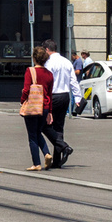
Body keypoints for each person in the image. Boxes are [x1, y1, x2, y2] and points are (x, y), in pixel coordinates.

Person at [41, 40, 77, 168]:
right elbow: (73, 81)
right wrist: (77, 98)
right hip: (65, 96)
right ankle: (57, 161)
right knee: (58, 127)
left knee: (43, 125)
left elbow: (45, 82)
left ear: (46, 50)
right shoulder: (66, 61)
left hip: (53, 96)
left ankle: (63, 147)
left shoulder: (48, 63)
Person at [19, 47, 56, 170]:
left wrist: (22, 100)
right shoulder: (49, 74)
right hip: (44, 108)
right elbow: (50, 94)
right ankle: (46, 153)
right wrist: (50, 112)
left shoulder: (30, 71)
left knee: (32, 136)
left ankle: (36, 163)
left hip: (33, 106)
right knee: (38, 132)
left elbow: (26, 89)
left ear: (34, 58)